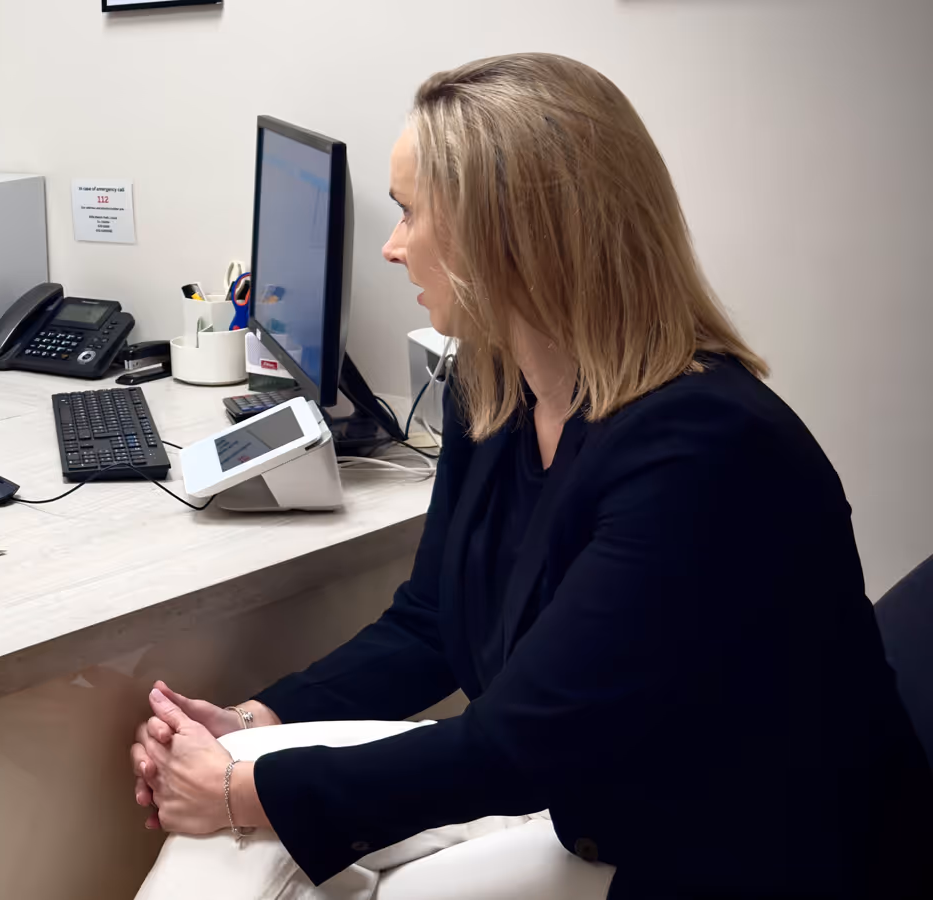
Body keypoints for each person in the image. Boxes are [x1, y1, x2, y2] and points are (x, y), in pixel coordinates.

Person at [129, 53, 932, 899]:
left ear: (506, 237)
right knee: (245, 825)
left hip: (741, 853)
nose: (393, 248)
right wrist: (261, 722)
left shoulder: (705, 452)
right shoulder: (497, 385)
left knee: (253, 821)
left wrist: (241, 789)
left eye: (410, 215)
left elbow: (519, 746)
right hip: (605, 802)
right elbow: (431, 622)